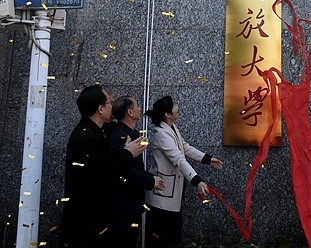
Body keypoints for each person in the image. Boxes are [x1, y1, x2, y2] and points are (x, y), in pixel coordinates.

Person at [60, 85, 148, 248]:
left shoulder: (101, 130)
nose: (112, 105)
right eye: (110, 102)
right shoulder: (85, 137)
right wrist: (128, 153)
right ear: (100, 109)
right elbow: (105, 169)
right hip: (86, 221)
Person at [144, 95, 223, 248]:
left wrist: (207, 159)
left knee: (173, 237)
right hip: (163, 196)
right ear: (167, 114)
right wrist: (197, 181)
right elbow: (179, 159)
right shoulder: (161, 134)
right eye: (174, 106)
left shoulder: (171, 128)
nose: (177, 107)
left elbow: (185, 147)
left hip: (173, 195)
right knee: (162, 239)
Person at [107, 96, 165, 248]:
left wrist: (151, 178)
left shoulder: (130, 133)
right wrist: (150, 181)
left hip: (131, 202)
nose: (141, 108)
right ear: (130, 112)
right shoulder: (119, 136)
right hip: (124, 205)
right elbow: (124, 171)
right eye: (137, 105)